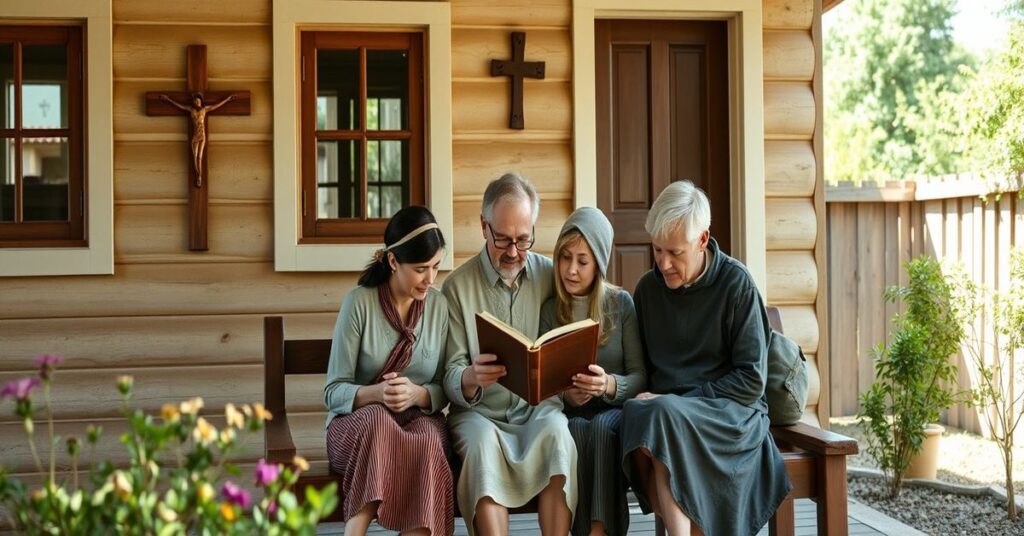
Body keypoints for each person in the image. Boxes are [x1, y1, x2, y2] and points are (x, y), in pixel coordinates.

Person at [620, 181, 791, 536]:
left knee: (662, 419)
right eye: (657, 250)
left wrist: (679, 401)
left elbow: (750, 381)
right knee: (642, 415)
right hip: (668, 418)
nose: (663, 263)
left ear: (702, 240)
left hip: (730, 416)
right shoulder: (648, 291)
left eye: (675, 252)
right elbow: (644, 374)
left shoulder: (736, 284)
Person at [442, 172, 576, 536]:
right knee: (482, 447)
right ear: (483, 226)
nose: (514, 252)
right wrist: (469, 378)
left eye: (524, 239)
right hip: (480, 415)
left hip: (537, 409)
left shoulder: (551, 275)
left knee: (558, 435)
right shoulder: (457, 287)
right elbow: (450, 372)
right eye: (502, 239)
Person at [324, 206, 453, 536]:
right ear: (393, 262)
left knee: (427, 441)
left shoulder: (438, 308)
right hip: (358, 430)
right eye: (421, 269)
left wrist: (418, 394)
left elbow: (443, 385)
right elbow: (333, 390)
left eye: (436, 267)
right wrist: (374, 394)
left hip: (415, 421)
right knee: (378, 421)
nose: (431, 279)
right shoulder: (359, 303)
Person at [539, 207, 646, 536]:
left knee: (599, 428)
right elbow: (542, 380)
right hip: (572, 413)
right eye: (565, 257)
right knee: (579, 431)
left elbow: (641, 375)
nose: (571, 270)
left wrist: (609, 385)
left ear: (598, 262)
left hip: (614, 410)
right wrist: (566, 395)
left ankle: (600, 532)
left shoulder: (620, 304)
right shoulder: (551, 309)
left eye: (582, 261)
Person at [159, 92, 235, 187]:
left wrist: (227, 99)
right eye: (196, 101)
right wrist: (168, 99)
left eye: (198, 101)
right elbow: (180, 106)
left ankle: (199, 176)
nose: (197, 103)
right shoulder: (191, 110)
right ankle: (197, 174)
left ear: (201, 102)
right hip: (195, 135)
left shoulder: (205, 109)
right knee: (194, 156)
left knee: (200, 156)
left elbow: (216, 106)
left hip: (202, 135)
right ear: (194, 103)